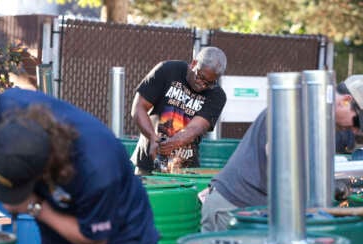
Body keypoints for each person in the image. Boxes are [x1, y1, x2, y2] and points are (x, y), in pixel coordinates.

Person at [0, 88, 159, 244]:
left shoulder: (96, 169)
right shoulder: (5, 108)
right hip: (59, 243)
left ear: (44, 171)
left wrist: (32, 206)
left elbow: (94, 239)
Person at [200, 75, 363, 232]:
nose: (355, 130)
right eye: (357, 123)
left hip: (250, 209)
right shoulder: (300, 109)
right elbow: (279, 158)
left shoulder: (321, 115)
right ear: (346, 101)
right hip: (232, 209)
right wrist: (322, 186)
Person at [130, 46, 227, 175]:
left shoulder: (217, 95)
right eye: (200, 77)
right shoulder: (167, 70)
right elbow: (138, 107)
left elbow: (195, 128)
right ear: (194, 63)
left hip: (186, 169)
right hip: (148, 162)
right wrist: (152, 137)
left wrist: (173, 143)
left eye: (209, 83)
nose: (202, 85)